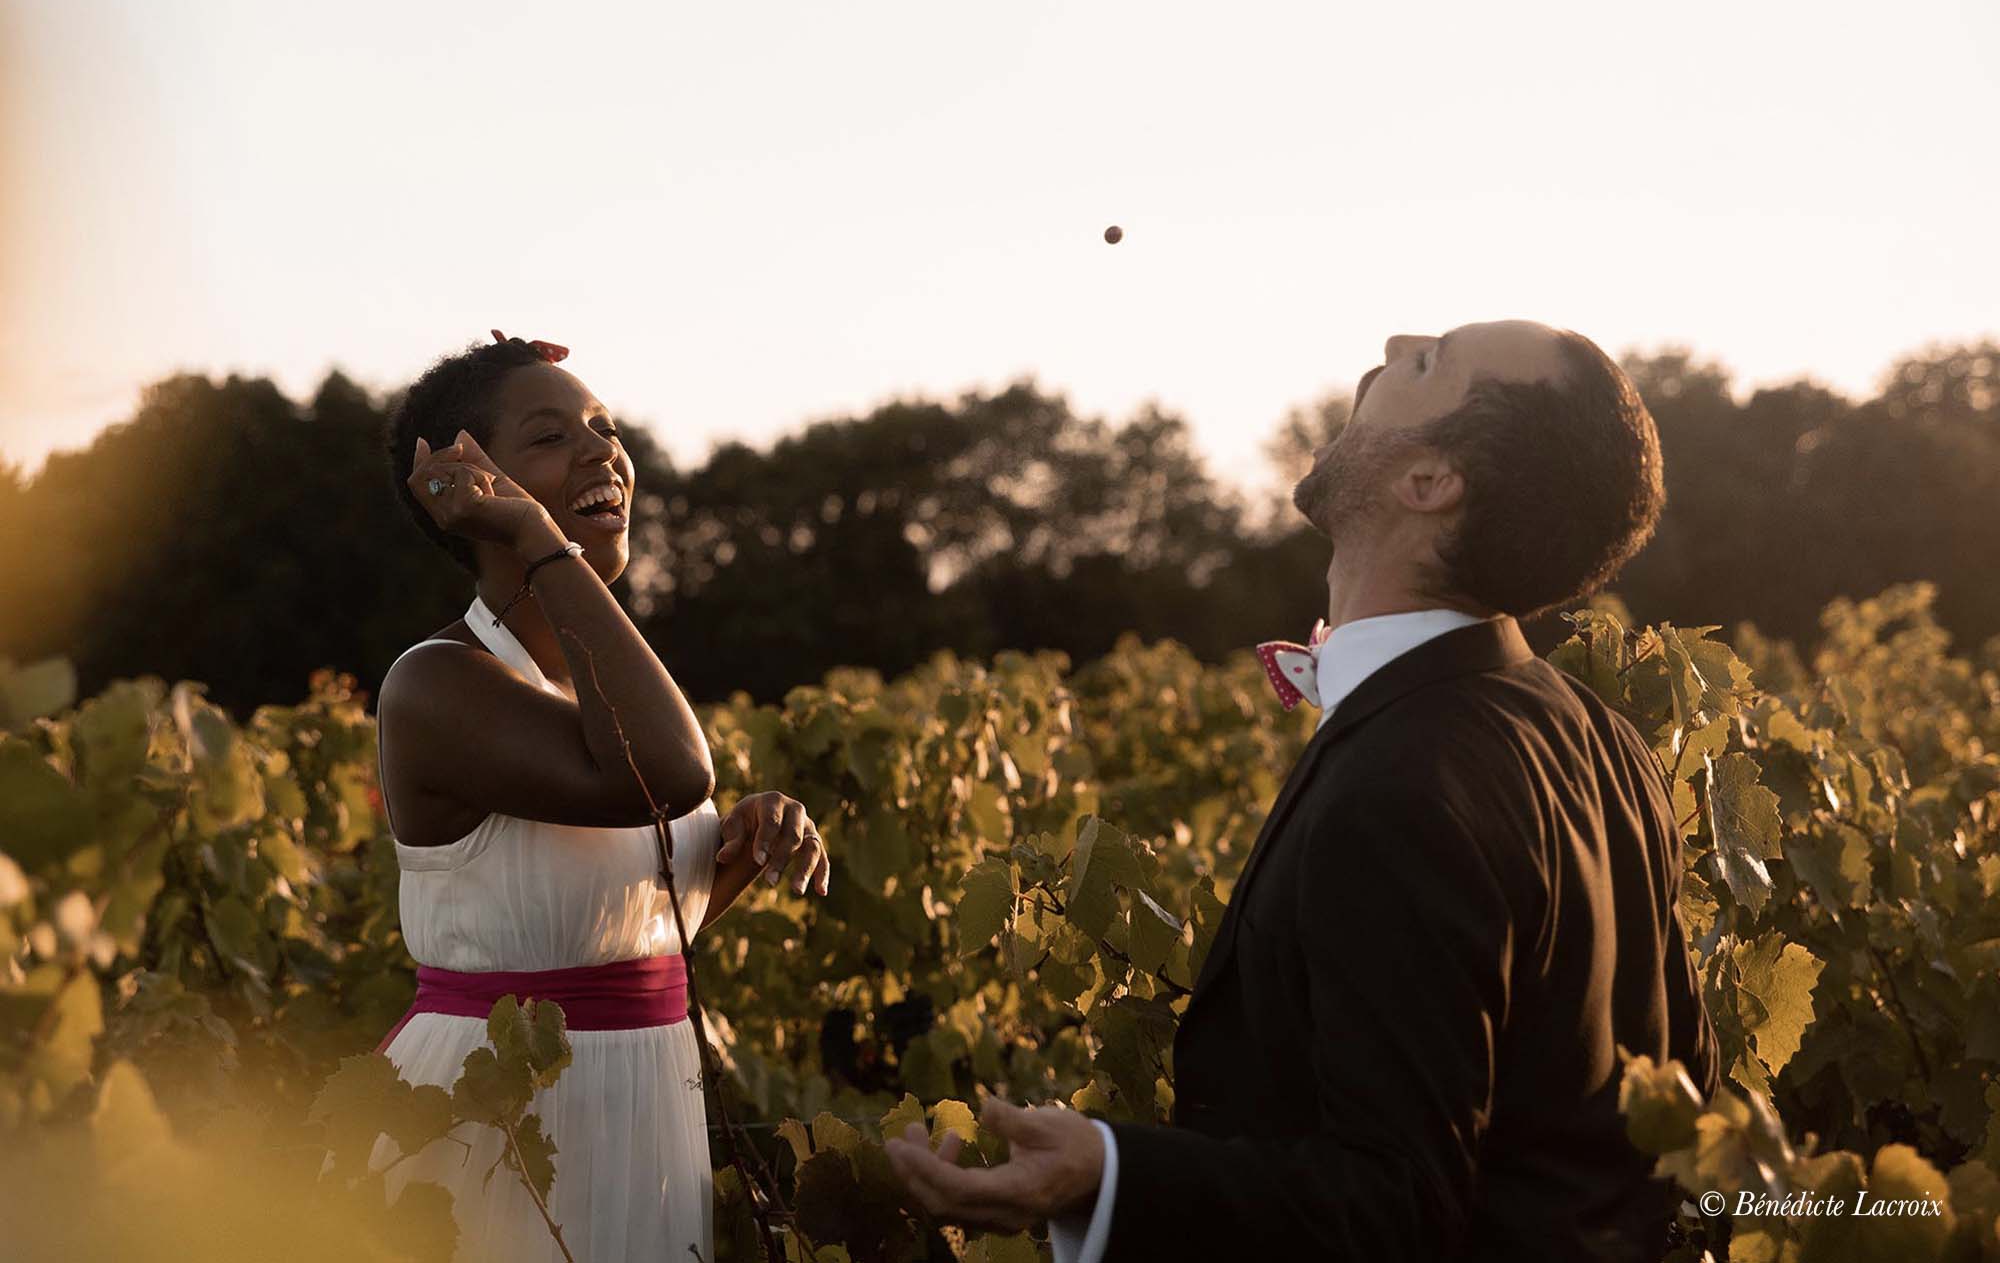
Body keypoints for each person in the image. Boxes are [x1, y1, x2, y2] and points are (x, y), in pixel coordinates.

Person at [886, 320, 1722, 1261]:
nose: (1394, 340)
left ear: (1429, 483)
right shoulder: (1605, 741)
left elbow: (1393, 1208)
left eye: (1425, 362)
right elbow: (1677, 1103)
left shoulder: (1404, 786)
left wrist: (1108, 1171)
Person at [371, 331, 832, 1262]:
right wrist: (538, 537)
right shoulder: (436, 682)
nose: (600, 452)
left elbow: (617, 940)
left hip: (643, 1107)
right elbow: (668, 774)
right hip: (505, 1123)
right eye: (549, 437)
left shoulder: (602, 685)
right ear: (473, 490)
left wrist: (734, 850)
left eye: (603, 427)